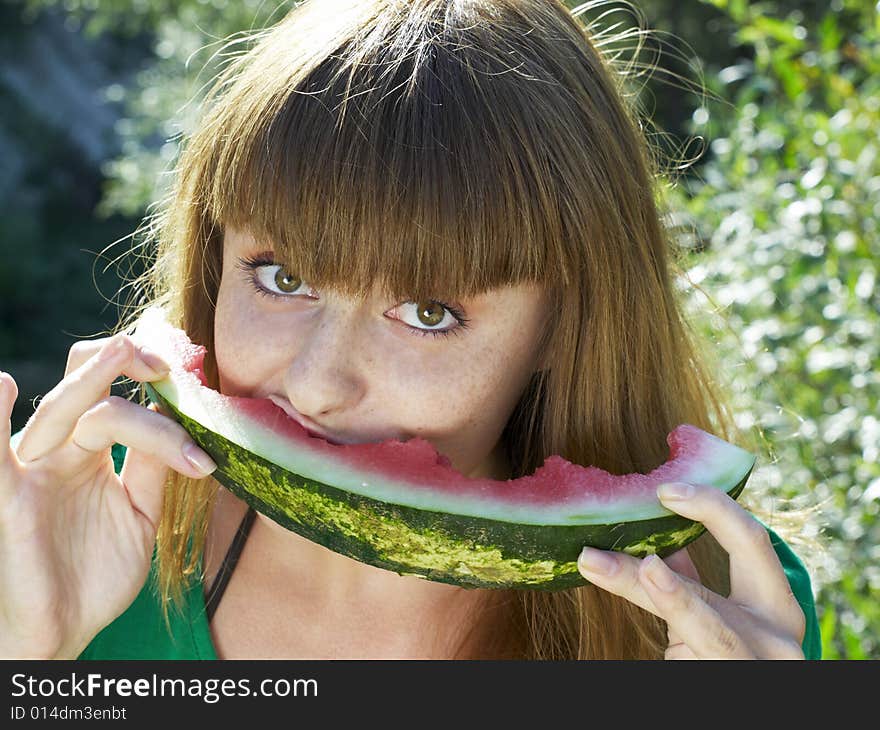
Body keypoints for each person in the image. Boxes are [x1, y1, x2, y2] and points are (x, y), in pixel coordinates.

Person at [0, 0, 820, 660]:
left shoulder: (727, 613)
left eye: (429, 313)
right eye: (282, 277)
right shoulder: (69, 537)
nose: (318, 383)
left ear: (563, 329)